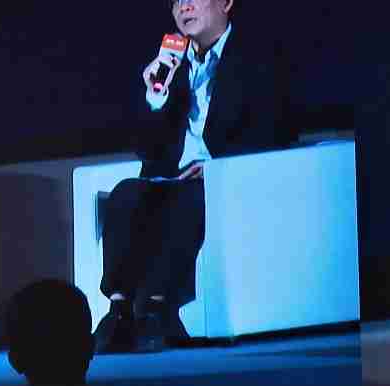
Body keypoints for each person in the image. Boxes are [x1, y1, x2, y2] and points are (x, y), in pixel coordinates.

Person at [92, 0, 296, 355]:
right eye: (176, 1)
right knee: (126, 194)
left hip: (228, 180)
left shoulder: (258, 58)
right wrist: (156, 97)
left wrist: (216, 167)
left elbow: (274, 130)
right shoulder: (172, 64)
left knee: (189, 199)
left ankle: (156, 307)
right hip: (172, 178)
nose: (184, 6)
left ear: (226, 3)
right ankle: (120, 309)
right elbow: (146, 149)